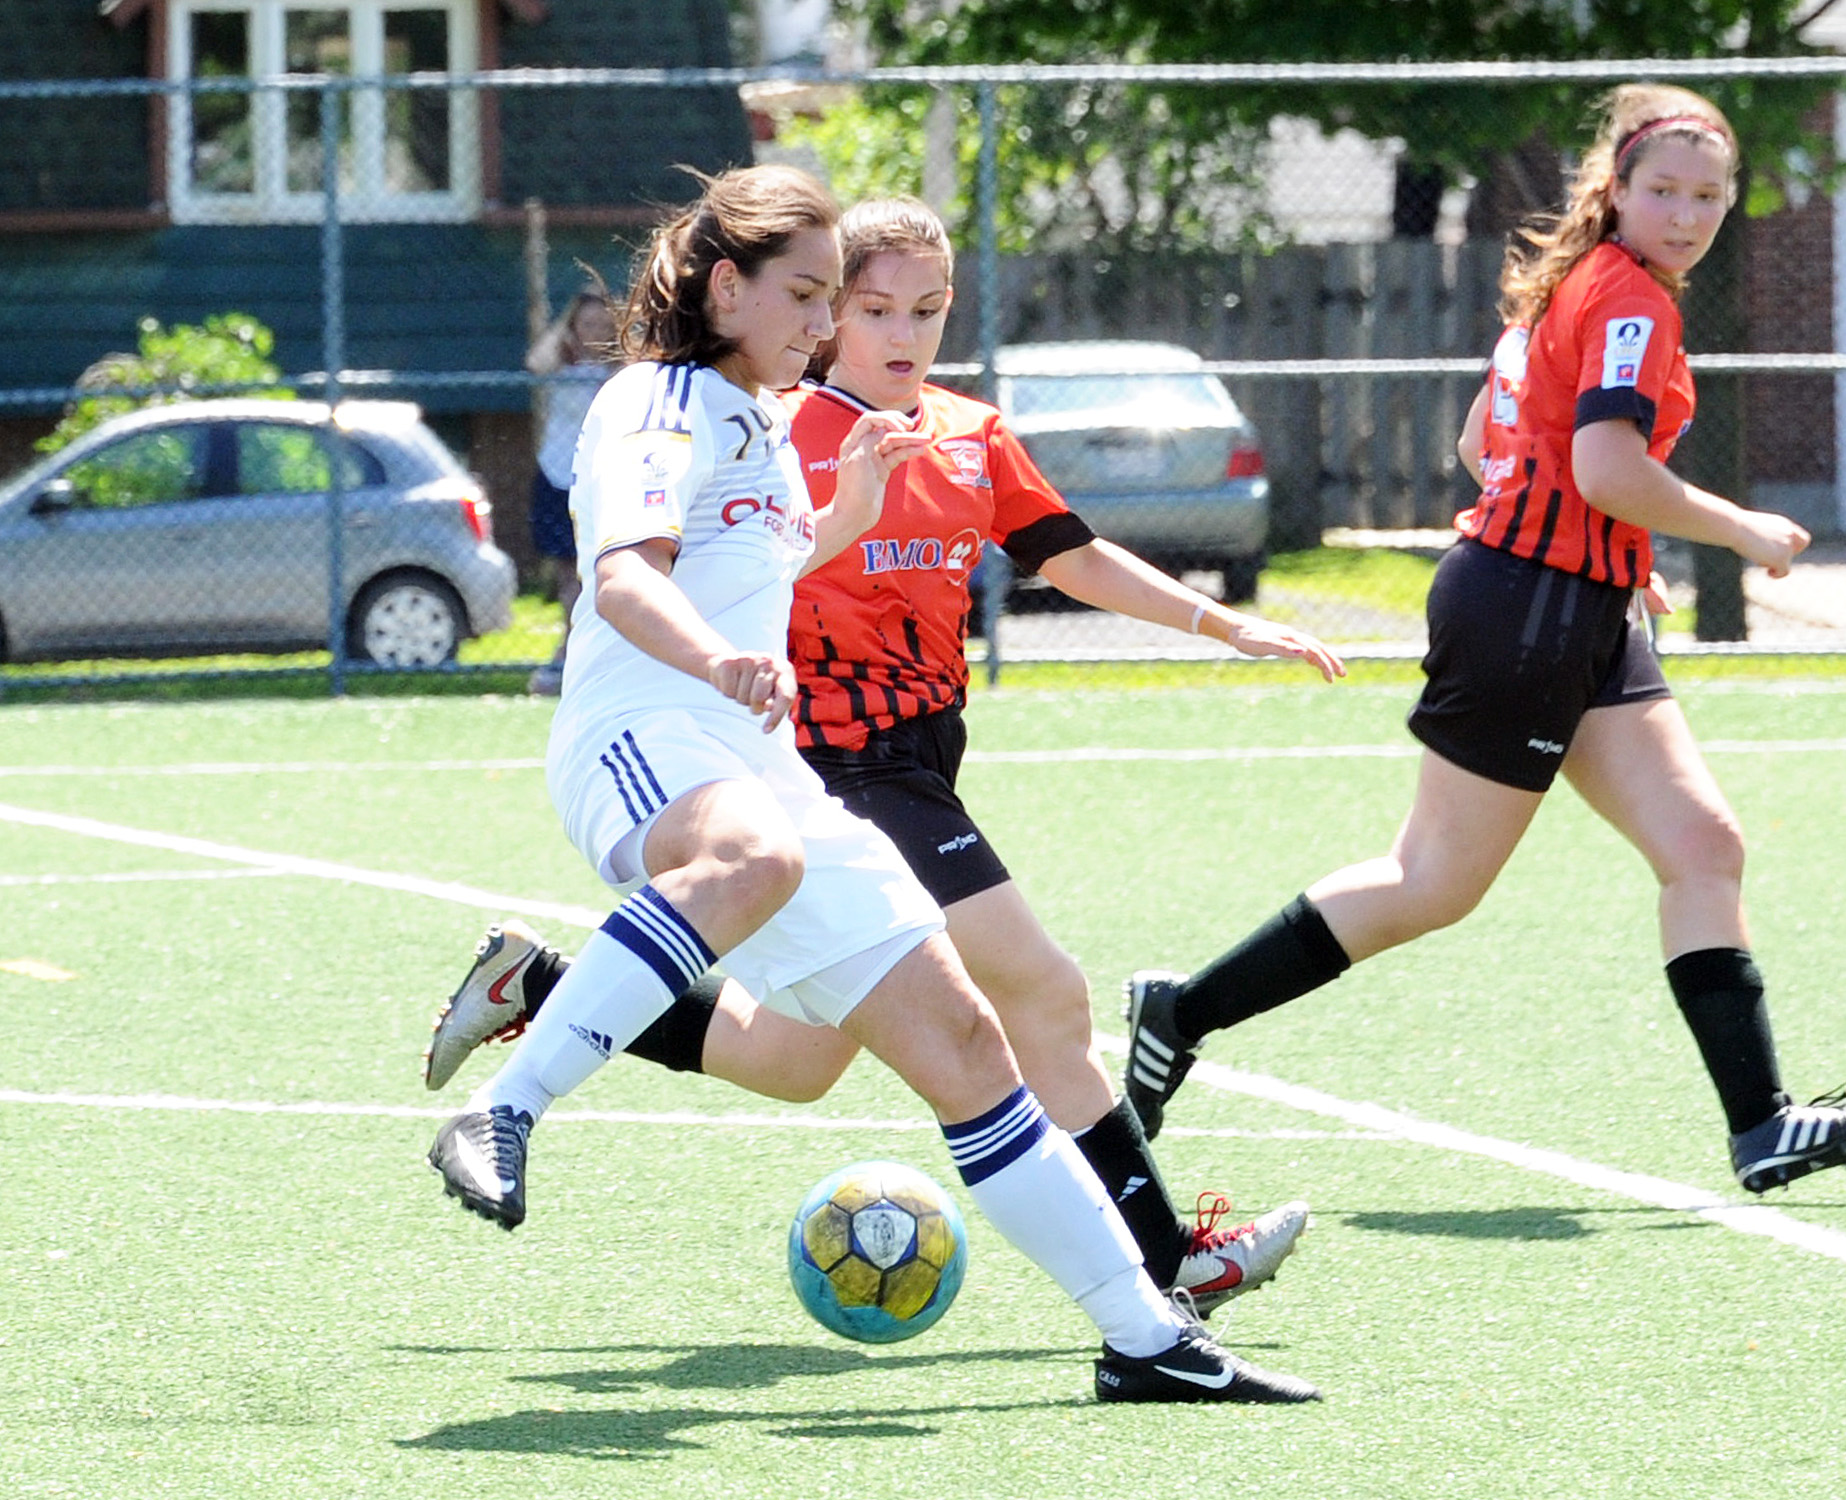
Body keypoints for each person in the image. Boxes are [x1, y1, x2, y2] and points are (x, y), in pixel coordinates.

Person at [426, 162, 1317, 1404]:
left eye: (839, 297)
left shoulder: (770, 421)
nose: (823, 320)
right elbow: (626, 582)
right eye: (808, 295)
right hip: (645, 730)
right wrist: (723, 655)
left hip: (764, 761)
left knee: (962, 1041)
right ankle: (506, 1114)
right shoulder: (655, 401)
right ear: (727, 287)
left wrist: (847, 506)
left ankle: (1146, 1336)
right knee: (758, 861)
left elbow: (785, 554)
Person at [1118, 84, 1846, 1195]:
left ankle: (1761, 1122)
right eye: (1664, 190)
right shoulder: (1630, 299)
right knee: (1431, 882)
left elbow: (1484, 439)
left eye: (1709, 195)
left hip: (1573, 606)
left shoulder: (1573, 289)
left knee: (1704, 847)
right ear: (1616, 191)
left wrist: (1606, 556)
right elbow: (1603, 468)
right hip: (1529, 616)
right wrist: (1735, 530)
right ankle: (1182, 1013)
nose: (1687, 213)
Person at [523, 287, 620, 696]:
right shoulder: (559, 364)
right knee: (567, 575)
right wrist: (563, 330)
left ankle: (590, 652)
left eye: (602, 325)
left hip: (599, 479)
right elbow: (535, 363)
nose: (594, 333)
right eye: (586, 324)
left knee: (597, 573)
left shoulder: (620, 373)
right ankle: (568, 649)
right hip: (556, 476)